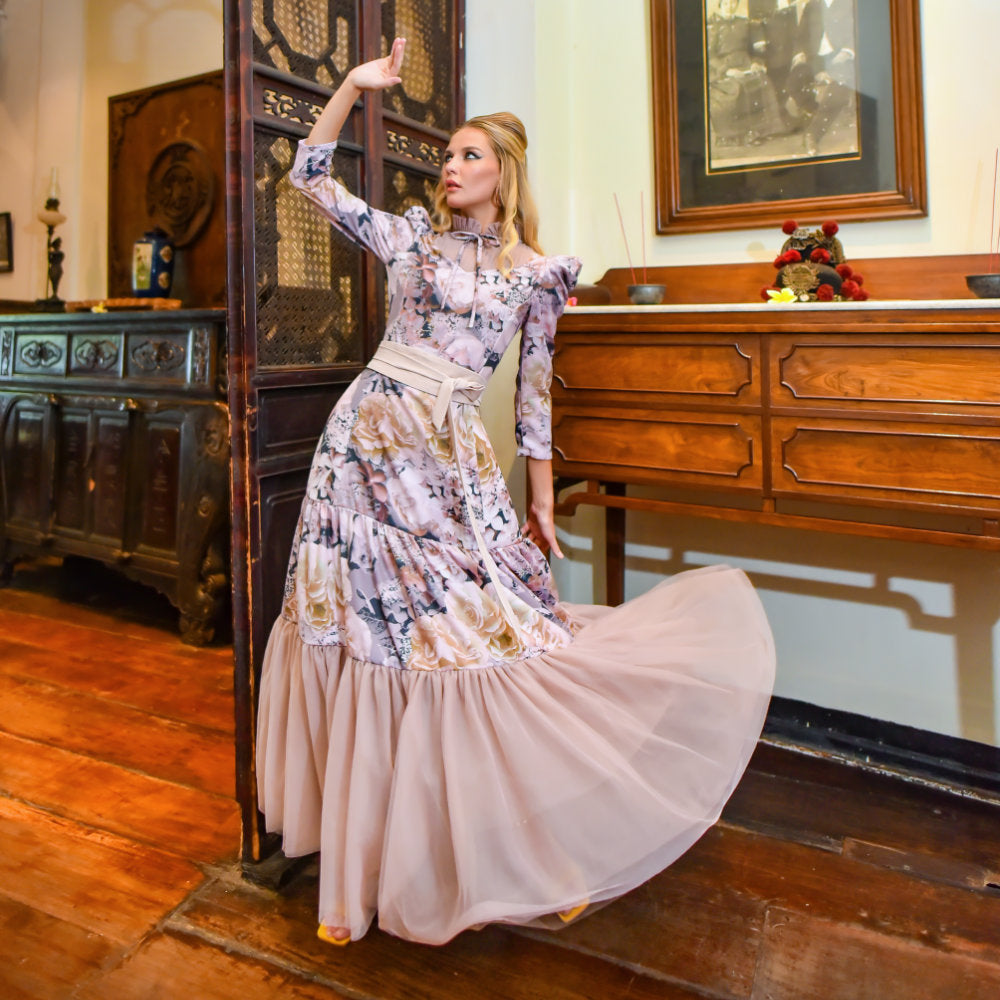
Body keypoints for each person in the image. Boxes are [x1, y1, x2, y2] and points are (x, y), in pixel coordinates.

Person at [256, 37, 776, 947]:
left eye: (468, 155)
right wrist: (351, 85)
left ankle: (534, 854)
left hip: (449, 464)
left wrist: (539, 498)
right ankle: (365, 872)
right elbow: (309, 175)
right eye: (448, 155)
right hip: (362, 454)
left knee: (482, 640)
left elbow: (535, 396)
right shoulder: (410, 239)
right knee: (376, 640)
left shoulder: (536, 273)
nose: (450, 167)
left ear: (504, 172)